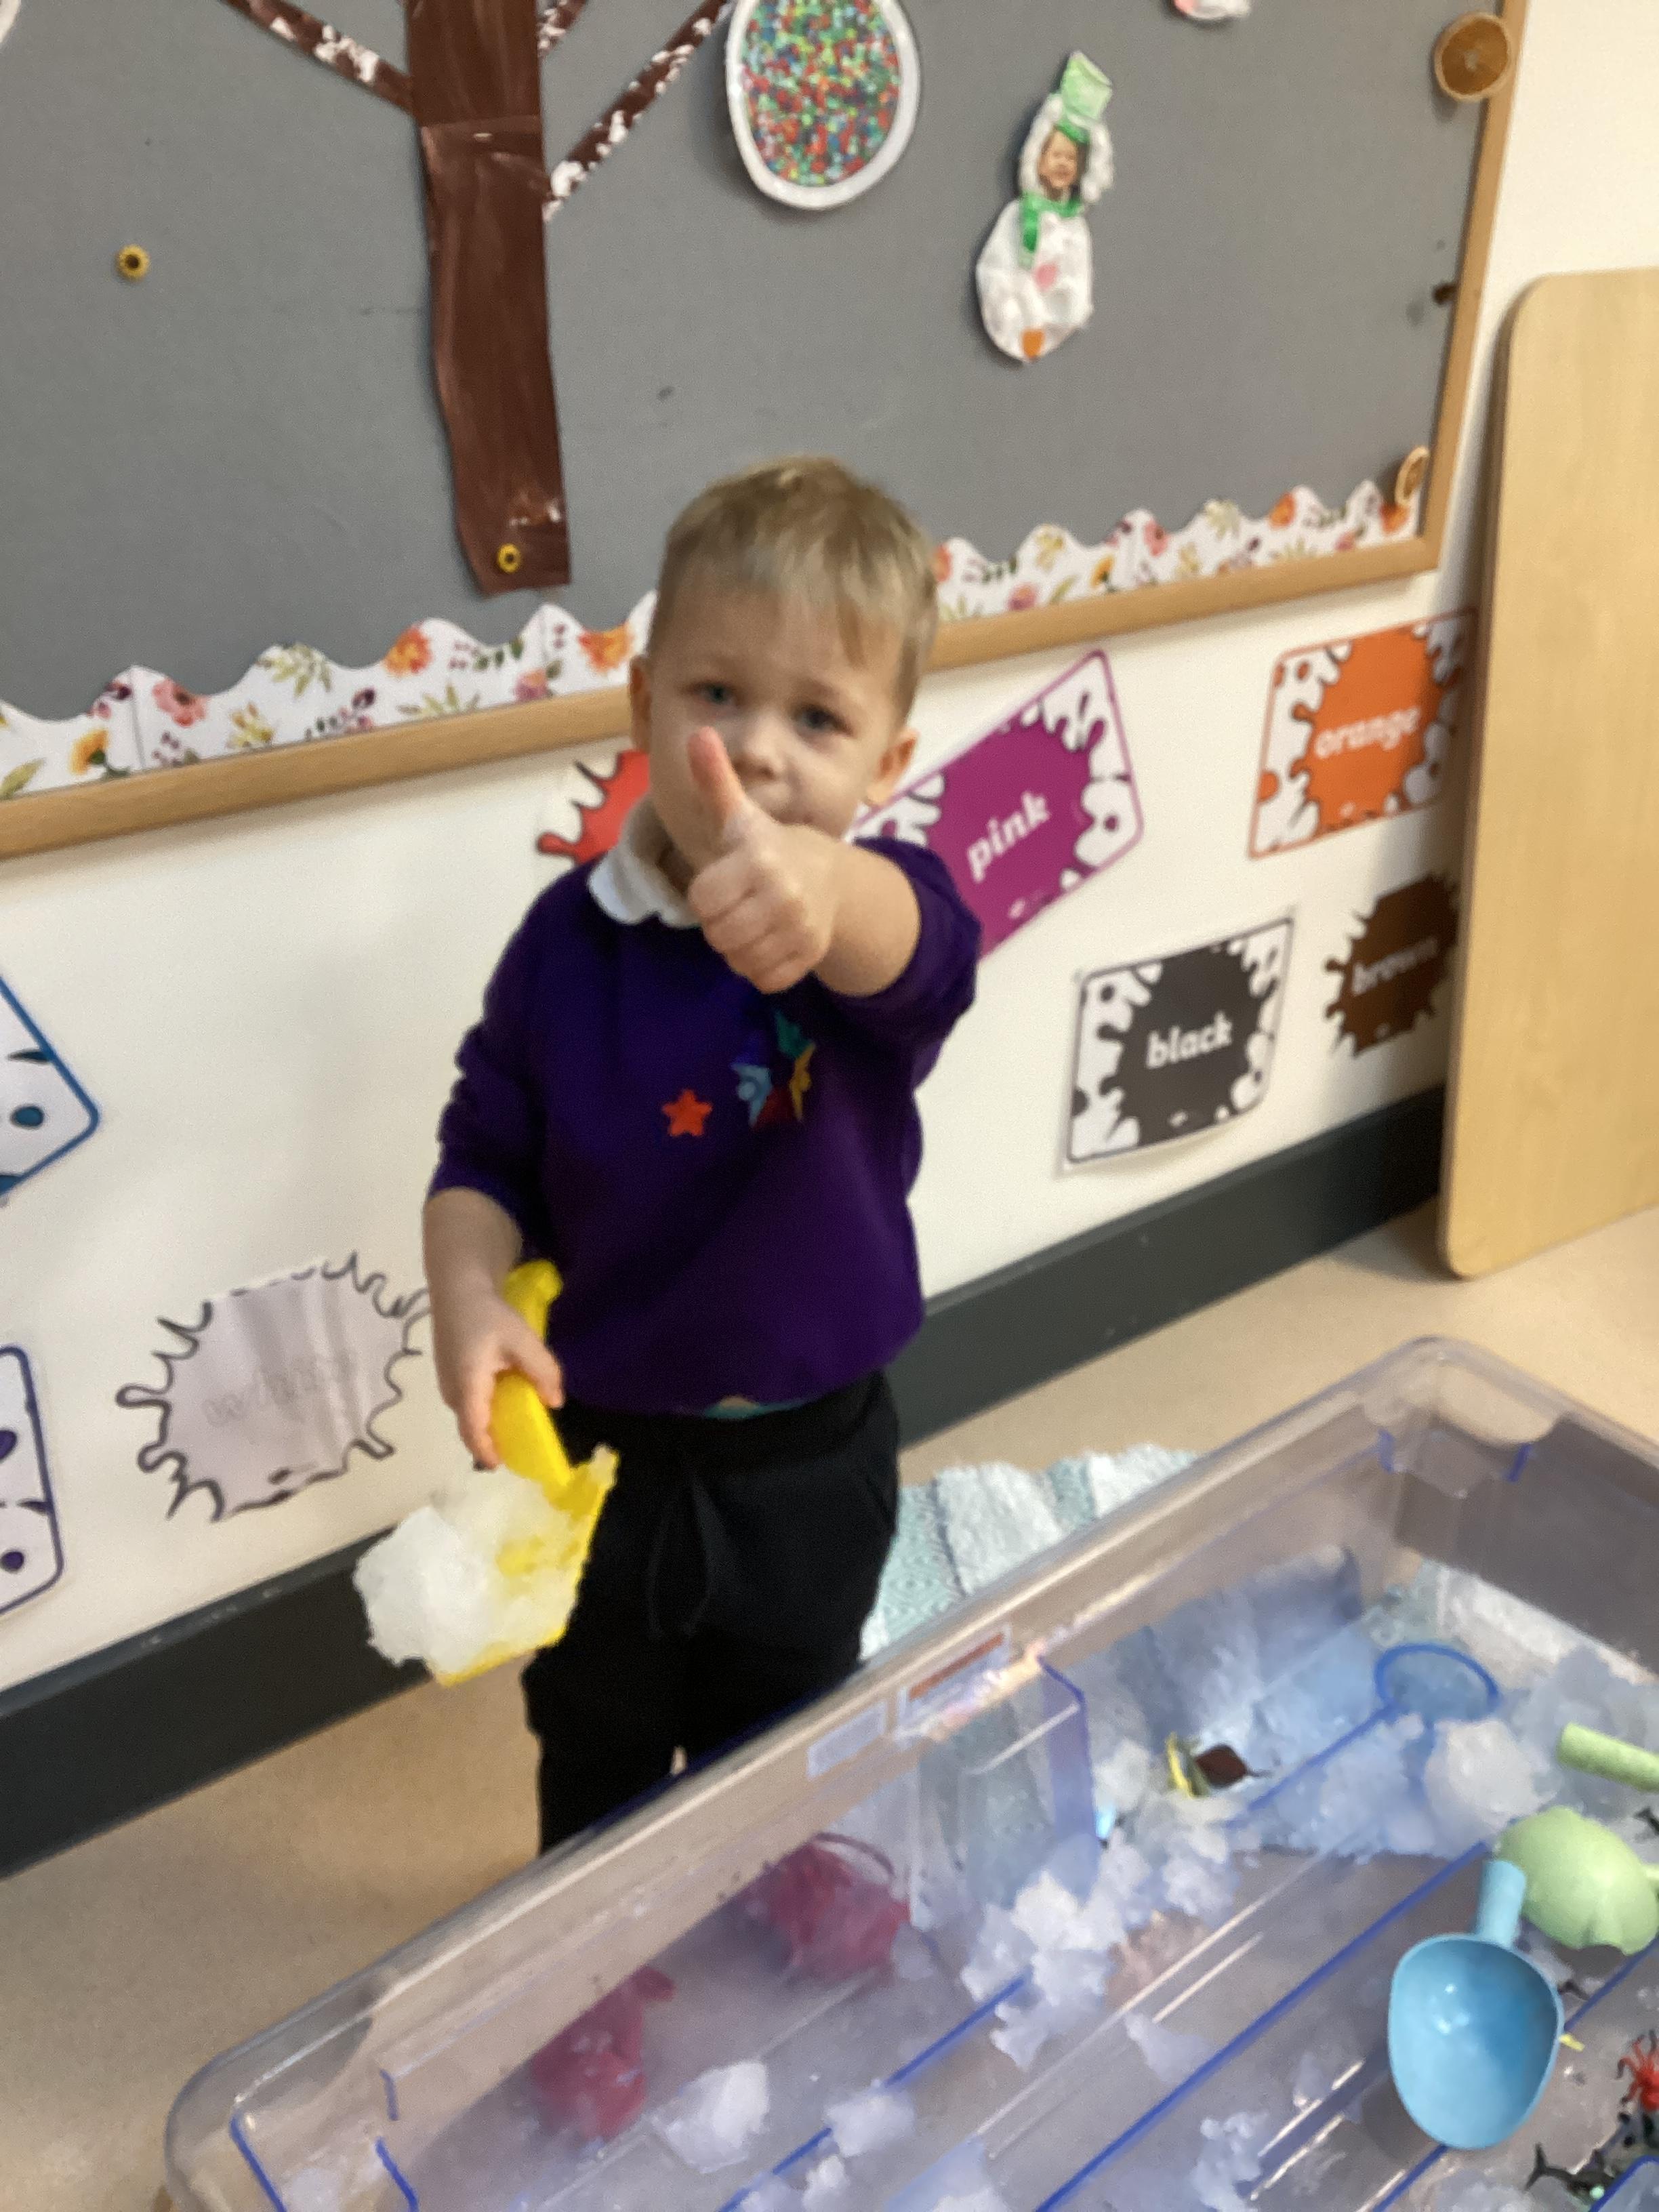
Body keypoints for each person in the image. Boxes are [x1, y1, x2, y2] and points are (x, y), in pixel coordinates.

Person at [424, 457, 981, 1850]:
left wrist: (826, 890)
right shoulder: (566, 944)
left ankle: (783, 1891)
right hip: (599, 1459)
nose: (760, 751)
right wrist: (468, 1292)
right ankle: (594, 1944)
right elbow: (482, 1151)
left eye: (819, 717)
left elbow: (930, 956)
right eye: (717, 694)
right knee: (595, 1744)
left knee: (788, 1748)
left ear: (888, 763)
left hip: (813, 1457)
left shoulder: (875, 921)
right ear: (644, 706)